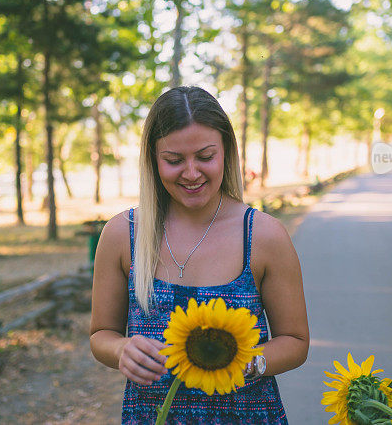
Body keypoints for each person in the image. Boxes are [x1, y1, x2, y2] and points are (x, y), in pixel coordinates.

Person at [89, 86, 309, 424]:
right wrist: (121, 350)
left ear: (226, 152)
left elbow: (295, 341)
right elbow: (101, 334)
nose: (191, 173)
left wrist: (246, 362)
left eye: (205, 157)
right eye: (174, 160)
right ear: (152, 159)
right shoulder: (123, 235)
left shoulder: (264, 235)